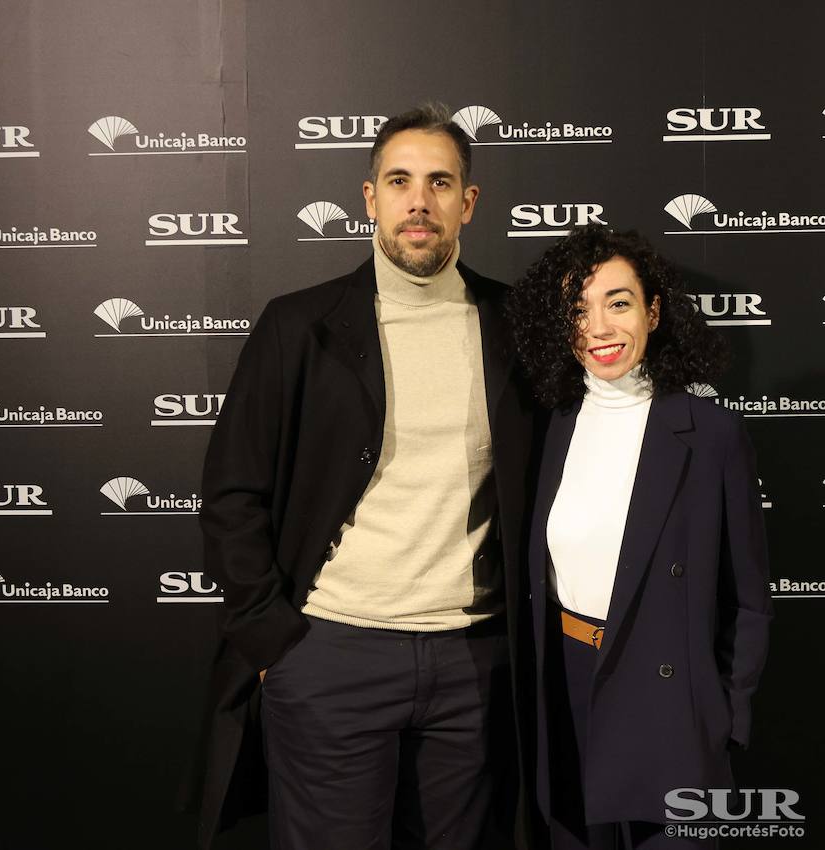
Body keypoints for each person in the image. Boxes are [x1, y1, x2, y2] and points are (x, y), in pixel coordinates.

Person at [186, 103, 539, 850]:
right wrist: (275, 640)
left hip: (474, 664)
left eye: (440, 182)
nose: (420, 201)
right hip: (331, 655)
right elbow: (230, 493)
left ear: (468, 203)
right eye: (400, 180)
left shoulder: (515, 327)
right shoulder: (299, 326)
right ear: (370, 196)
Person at [506, 225, 771, 849]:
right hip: (567, 685)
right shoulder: (547, 428)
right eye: (579, 309)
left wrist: (722, 716)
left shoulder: (710, 434)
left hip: (670, 703)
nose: (599, 327)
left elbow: (750, 599)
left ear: (653, 311)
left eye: (618, 303)